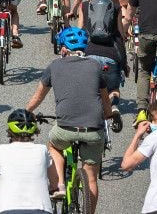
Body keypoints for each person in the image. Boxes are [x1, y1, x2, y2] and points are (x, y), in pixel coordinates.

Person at [27, 27, 111, 213]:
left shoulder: (54, 66)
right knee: (91, 178)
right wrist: (109, 114)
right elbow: (106, 102)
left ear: (63, 48)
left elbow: (38, 97)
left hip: (65, 127)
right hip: (93, 130)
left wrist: (27, 111)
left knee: (54, 145)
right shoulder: (95, 66)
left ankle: (59, 186)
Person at [0, 109, 56, 214]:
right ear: (34, 130)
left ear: (10, 130)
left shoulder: (0, 150)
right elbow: (55, 179)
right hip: (41, 210)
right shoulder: (42, 150)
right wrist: (53, 188)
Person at [75, 0, 126, 132]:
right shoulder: (116, 8)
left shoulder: (84, 6)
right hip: (110, 55)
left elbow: (80, 32)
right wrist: (123, 64)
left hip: (90, 54)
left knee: (90, 89)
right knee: (113, 88)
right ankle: (114, 106)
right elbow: (120, 35)